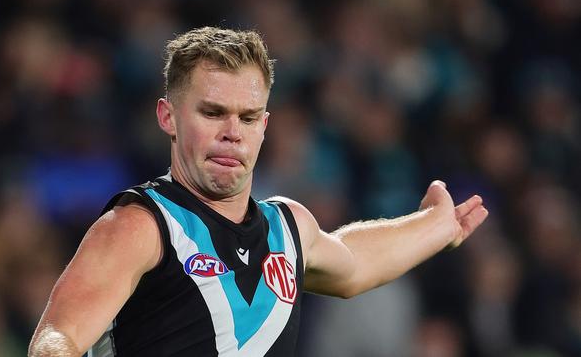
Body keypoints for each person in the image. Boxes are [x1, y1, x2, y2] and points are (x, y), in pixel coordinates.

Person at [28, 27, 488, 357]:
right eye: (212, 113)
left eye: (248, 118)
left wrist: (437, 224)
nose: (233, 133)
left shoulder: (288, 228)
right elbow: (58, 338)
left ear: (264, 126)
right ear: (168, 117)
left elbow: (354, 263)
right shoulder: (140, 226)